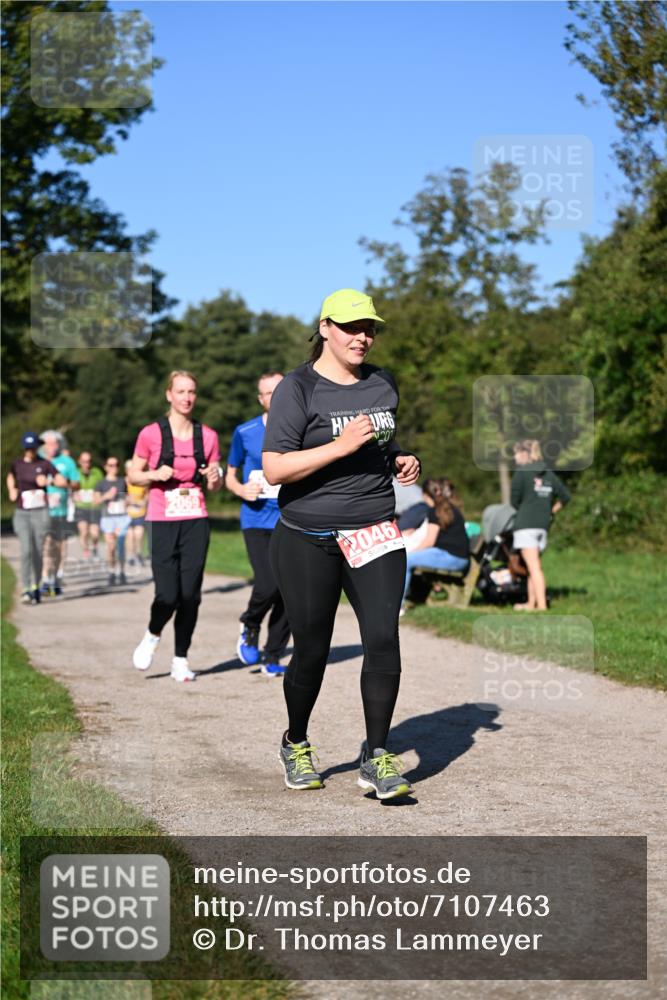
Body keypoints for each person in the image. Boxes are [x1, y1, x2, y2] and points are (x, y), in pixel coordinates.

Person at [263, 288, 421, 800]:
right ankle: (296, 741)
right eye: (353, 327)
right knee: (312, 649)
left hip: (373, 528)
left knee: (382, 638)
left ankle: (376, 756)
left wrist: (398, 458)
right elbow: (275, 467)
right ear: (325, 328)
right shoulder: (298, 387)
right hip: (308, 535)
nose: (363, 337)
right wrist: (339, 447)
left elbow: (381, 442)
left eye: (370, 327)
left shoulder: (383, 383)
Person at [128, 370, 222, 682]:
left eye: (191, 391)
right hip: (161, 519)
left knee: (191, 596)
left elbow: (215, 484)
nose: (186, 397)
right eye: (180, 391)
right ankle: (153, 634)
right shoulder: (151, 434)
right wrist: (154, 475)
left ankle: (180, 659)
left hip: (195, 519)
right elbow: (134, 475)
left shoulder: (207, 436)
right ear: (169, 394)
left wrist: (214, 478)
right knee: (168, 595)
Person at [225, 371, 290, 677]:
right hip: (255, 518)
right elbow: (230, 473)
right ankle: (250, 622)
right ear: (260, 399)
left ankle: (275, 652)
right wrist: (240, 489)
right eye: (266, 393)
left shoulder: (300, 427)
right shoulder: (245, 431)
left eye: (278, 390)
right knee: (267, 583)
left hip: (291, 517)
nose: (272, 397)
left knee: (291, 590)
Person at [510, 439, 571, 612]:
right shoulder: (548, 474)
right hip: (543, 526)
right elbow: (565, 497)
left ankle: (542, 605)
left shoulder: (521, 473)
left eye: (516, 453)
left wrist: (526, 509)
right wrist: (551, 511)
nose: (515, 458)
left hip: (526, 525)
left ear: (525, 454)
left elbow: (514, 501)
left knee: (534, 568)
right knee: (532, 567)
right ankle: (531, 603)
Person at [6, 432, 67, 604]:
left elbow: (62, 481)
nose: (30, 451)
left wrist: (48, 481)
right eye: (28, 448)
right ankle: (26, 588)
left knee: (38, 550)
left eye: (33, 448)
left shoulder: (45, 464)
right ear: (24, 448)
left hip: (41, 512)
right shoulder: (17, 464)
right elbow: (10, 476)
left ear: (37, 448)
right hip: (22, 512)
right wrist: (12, 489)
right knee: (26, 549)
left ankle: (36, 585)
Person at [401, 478, 470, 609]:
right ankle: (408, 597)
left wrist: (411, 552)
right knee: (409, 558)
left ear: (425, 495)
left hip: (452, 558)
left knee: (407, 559)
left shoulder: (435, 511)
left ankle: (398, 606)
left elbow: (429, 542)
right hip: (459, 557)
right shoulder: (449, 508)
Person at [39, 430, 80, 597]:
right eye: (48, 443)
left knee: (60, 545)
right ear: (43, 445)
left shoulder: (67, 462)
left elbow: (76, 485)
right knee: (47, 544)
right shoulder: (39, 461)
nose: (51, 447)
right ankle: (45, 579)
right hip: (43, 509)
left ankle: (57, 577)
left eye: (54, 443)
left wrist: (64, 484)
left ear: (59, 444)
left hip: (62, 510)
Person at [94, 457, 131, 586]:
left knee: (120, 546)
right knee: (111, 546)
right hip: (107, 518)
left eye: (115, 465)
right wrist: (107, 496)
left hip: (121, 518)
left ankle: (121, 572)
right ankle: (111, 572)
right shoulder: (101, 483)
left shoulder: (122, 482)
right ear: (105, 467)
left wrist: (127, 502)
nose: (113, 467)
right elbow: (96, 501)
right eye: (110, 465)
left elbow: (127, 498)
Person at [74, 451, 104, 559]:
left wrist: (99, 496)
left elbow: (102, 486)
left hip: (94, 507)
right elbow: (70, 487)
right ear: (79, 461)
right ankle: (86, 551)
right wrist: (73, 494)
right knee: (84, 531)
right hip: (81, 507)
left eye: (88, 461)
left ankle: (95, 547)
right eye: (84, 461)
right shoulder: (75, 473)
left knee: (95, 533)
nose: (86, 464)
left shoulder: (97, 472)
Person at [124, 459, 148, 569]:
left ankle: (138, 554)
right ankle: (130, 556)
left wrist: (143, 501)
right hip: (127, 512)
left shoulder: (142, 481)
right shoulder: (124, 481)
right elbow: (121, 496)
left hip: (140, 512)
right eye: (129, 469)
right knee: (130, 535)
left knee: (139, 535)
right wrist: (127, 500)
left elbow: (148, 495)